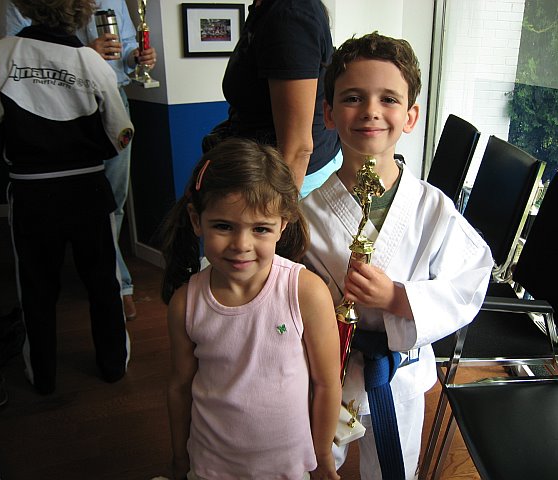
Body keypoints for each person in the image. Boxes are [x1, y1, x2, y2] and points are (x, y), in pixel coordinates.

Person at [301, 32, 494, 479]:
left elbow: (472, 277)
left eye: (388, 99)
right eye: (353, 97)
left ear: (410, 116)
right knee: (313, 462)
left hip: (398, 371)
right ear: (328, 113)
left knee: (395, 469)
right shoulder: (306, 215)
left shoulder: (432, 208)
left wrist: (398, 298)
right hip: (327, 368)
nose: (370, 110)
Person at [161, 138, 342, 480]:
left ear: (282, 224)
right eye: (223, 226)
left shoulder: (305, 293)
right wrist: (179, 459)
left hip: (288, 466)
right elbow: (180, 387)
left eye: (260, 229)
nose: (241, 245)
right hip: (212, 465)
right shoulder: (186, 304)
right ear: (197, 220)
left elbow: (326, 383)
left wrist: (322, 457)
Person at [0, 0, 134, 394]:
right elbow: (122, 132)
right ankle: (113, 366)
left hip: (31, 190)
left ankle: (43, 376)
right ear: (81, 10)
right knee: (103, 283)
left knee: (36, 287)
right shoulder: (92, 61)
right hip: (88, 189)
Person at [5, 0, 158, 320]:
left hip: (112, 98)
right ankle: (112, 285)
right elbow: (16, 52)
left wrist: (136, 57)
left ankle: (112, 282)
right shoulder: (25, 2)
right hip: (56, 103)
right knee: (69, 198)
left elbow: (125, 47)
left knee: (113, 201)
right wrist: (80, 55)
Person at [204, 0, 341, 198]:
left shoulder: (290, 14)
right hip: (262, 173)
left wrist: (278, 212)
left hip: (289, 182)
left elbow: (297, 148)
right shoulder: (266, 8)